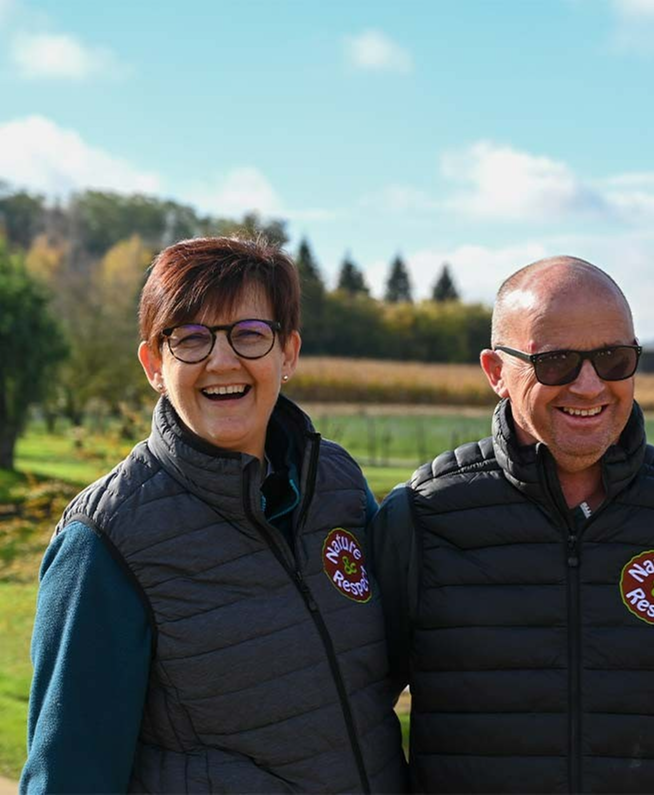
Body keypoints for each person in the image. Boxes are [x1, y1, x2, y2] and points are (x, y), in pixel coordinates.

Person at [376, 256, 654, 793]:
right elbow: (351, 727)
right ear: (496, 373)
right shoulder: (423, 519)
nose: (589, 386)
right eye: (555, 361)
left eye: (613, 358)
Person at [22, 237, 407, 793]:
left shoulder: (338, 483)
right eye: (190, 338)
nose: (222, 361)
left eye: (250, 334)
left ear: (288, 353)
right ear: (155, 364)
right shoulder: (106, 540)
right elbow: (68, 778)